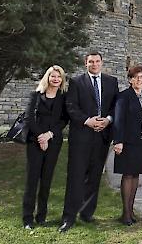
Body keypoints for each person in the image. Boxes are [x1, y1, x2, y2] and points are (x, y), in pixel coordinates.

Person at [59, 52, 119, 233]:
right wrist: (87, 120)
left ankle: (87, 213)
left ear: (102, 62)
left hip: (102, 137)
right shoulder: (77, 82)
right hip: (81, 136)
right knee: (76, 177)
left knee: (94, 177)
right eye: (90, 61)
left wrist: (108, 120)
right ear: (86, 63)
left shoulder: (111, 81)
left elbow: (116, 106)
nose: (94, 64)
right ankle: (68, 217)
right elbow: (71, 106)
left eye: (97, 61)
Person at [22, 65, 69, 229]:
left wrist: (49, 135)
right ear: (47, 78)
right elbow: (29, 118)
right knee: (32, 180)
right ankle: (27, 219)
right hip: (34, 142)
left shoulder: (63, 98)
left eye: (59, 77)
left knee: (46, 180)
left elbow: (64, 120)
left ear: (62, 80)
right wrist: (41, 138)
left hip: (53, 142)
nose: (56, 79)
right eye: (53, 76)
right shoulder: (35, 95)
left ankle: (41, 216)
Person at [112, 65, 142, 226]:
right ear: (130, 80)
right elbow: (118, 119)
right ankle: (125, 213)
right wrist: (118, 141)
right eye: (136, 77)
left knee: (136, 175)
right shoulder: (124, 96)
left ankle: (131, 210)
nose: (139, 80)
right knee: (128, 175)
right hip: (127, 142)